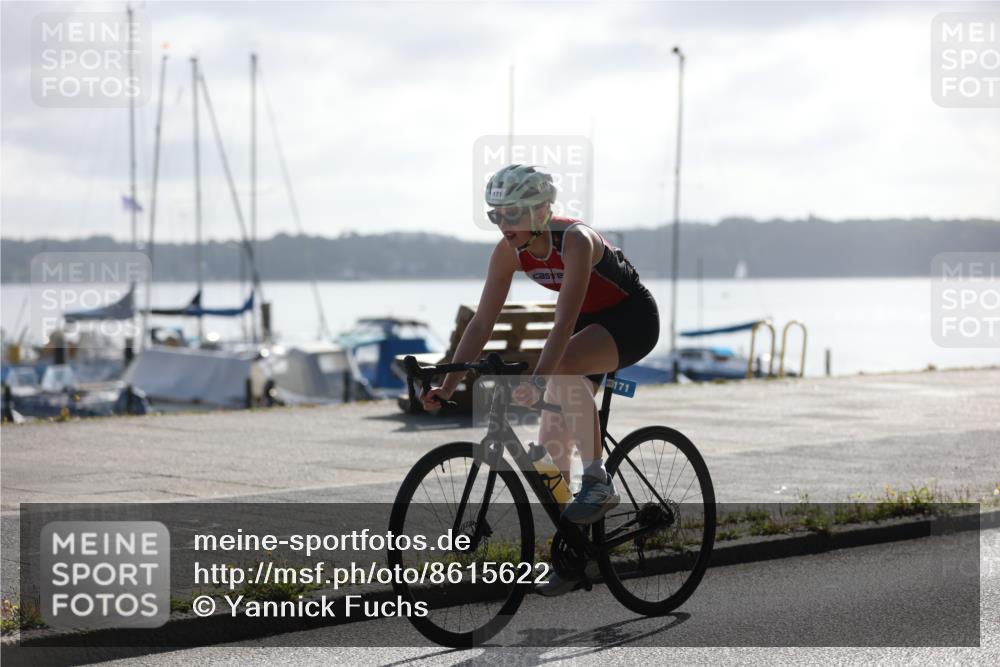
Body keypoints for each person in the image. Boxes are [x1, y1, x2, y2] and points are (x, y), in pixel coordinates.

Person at [420, 164, 660, 595]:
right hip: (588, 325)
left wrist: (536, 378)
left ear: (540, 211)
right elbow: (480, 325)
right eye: (495, 215)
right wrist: (451, 386)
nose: (502, 224)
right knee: (550, 444)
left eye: (511, 214)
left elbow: (563, 322)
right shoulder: (508, 251)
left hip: (632, 320)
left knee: (562, 365)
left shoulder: (576, 241)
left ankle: (598, 479)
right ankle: (572, 555)